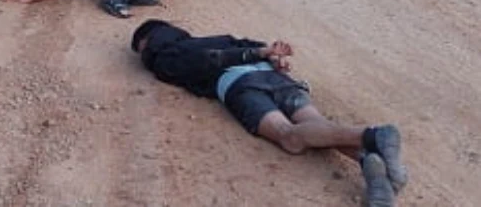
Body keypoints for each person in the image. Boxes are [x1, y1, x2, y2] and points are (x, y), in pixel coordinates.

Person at [132, 19, 409, 207]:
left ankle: (372, 135)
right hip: (274, 77)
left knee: (290, 137)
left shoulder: (167, 55)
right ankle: (376, 173)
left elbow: (212, 59)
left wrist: (254, 55)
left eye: (140, 48)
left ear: (148, 41)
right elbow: (258, 49)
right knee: (318, 129)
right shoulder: (223, 38)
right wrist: (271, 56)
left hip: (240, 85)